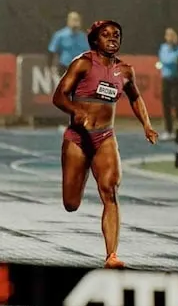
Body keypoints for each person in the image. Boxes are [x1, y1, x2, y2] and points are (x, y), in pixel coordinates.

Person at [52, 20, 158, 269]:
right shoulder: (83, 63)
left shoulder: (126, 70)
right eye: (106, 35)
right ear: (95, 40)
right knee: (71, 204)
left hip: (104, 137)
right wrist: (74, 110)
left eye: (116, 35)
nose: (112, 38)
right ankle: (84, 170)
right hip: (78, 139)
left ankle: (111, 255)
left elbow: (135, 98)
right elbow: (58, 95)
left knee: (110, 191)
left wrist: (147, 124)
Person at [158, 27, 178, 135]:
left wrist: (173, 59)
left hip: (177, 80)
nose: (170, 37)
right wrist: (173, 59)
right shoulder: (163, 48)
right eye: (168, 35)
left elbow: (171, 61)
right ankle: (168, 130)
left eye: (172, 35)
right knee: (166, 105)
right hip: (166, 79)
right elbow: (165, 59)